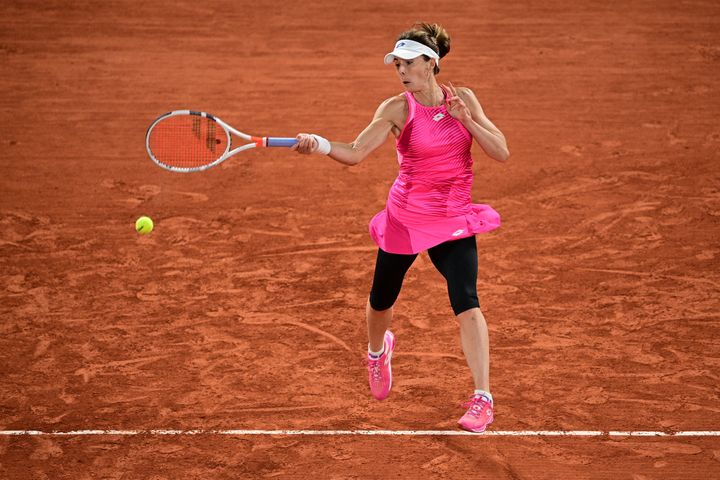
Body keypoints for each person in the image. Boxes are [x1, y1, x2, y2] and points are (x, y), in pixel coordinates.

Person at [292, 22, 509, 433]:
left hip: (452, 218)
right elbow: (355, 153)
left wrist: (468, 120)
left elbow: (501, 151)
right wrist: (320, 144)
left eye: (409, 64)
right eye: (397, 66)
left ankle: (483, 397)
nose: (402, 72)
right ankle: (377, 352)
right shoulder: (396, 108)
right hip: (406, 219)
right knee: (380, 300)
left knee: (467, 299)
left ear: (432, 63)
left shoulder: (464, 99)